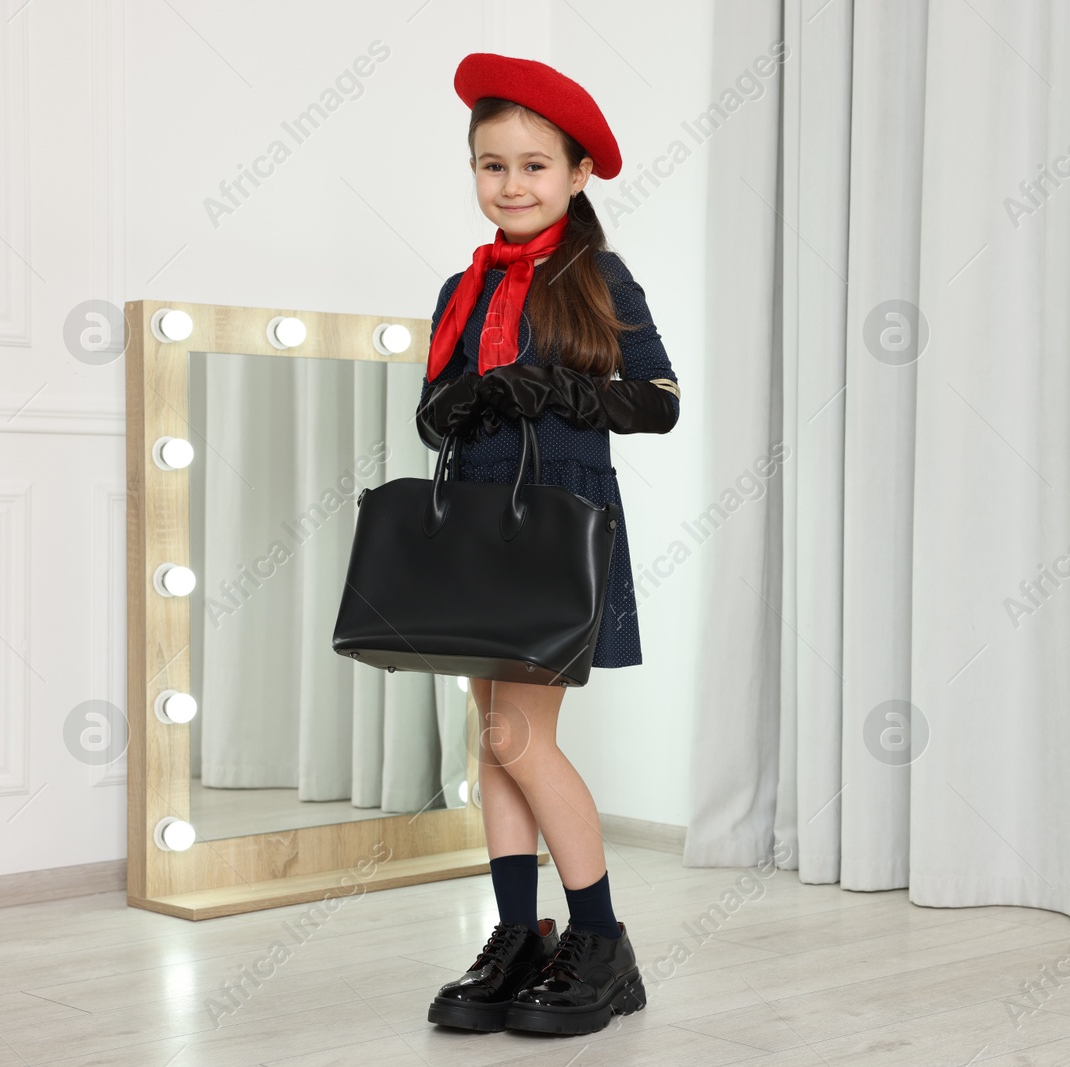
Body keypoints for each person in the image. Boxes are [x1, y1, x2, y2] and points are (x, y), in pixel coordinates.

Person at [417, 53, 679, 1038]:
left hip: (559, 524)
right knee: (493, 741)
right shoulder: (461, 286)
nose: (513, 183)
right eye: (493, 165)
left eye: (534, 165)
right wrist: (463, 403)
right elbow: (431, 417)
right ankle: (519, 935)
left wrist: (565, 392)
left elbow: (659, 400)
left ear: (576, 175)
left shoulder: (597, 278)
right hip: (477, 525)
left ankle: (601, 940)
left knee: (518, 735)